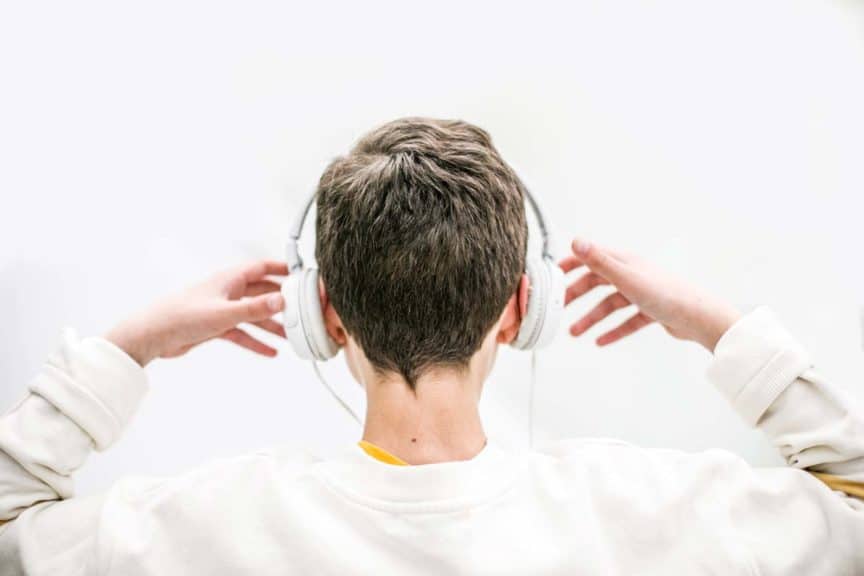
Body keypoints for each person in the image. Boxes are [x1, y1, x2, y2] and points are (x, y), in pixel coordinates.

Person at [0, 118, 861, 575]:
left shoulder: (191, 530)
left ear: (324, 314)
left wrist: (128, 347)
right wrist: (718, 325)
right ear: (524, 307)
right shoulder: (662, 514)